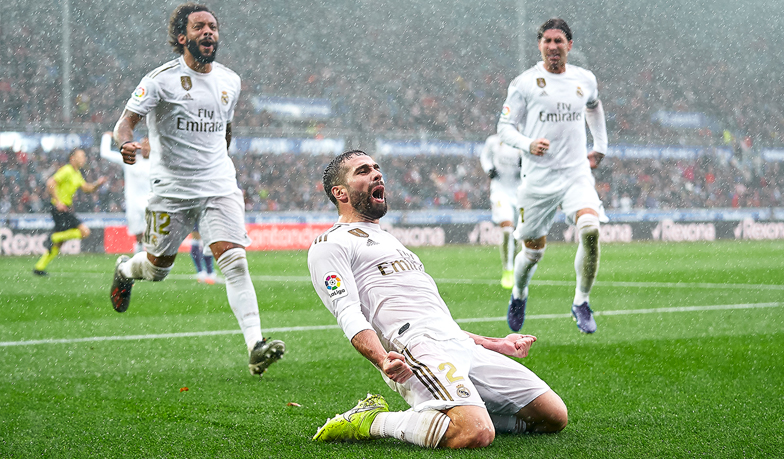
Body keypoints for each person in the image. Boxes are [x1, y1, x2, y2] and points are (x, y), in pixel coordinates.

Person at [307, 151, 567, 449]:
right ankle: (373, 421)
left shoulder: (391, 241)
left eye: (376, 168)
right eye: (363, 171)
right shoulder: (330, 244)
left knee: (552, 416)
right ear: (340, 192)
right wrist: (381, 359)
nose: (377, 173)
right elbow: (348, 313)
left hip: (458, 343)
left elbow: (434, 319)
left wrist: (495, 344)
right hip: (414, 348)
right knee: (475, 433)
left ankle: (458, 413)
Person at [109, 3, 284, 376]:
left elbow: (225, 129)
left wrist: (217, 163)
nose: (209, 32)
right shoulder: (160, 80)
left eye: (213, 26)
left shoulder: (230, 81)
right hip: (171, 191)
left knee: (234, 261)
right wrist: (125, 143)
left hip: (218, 186)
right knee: (157, 269)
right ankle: (125, 269)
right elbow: (124, 124)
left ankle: (255, 346)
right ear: (181, 37)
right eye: (200, 26)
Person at [497, 18, 608, 334]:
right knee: (533, 252)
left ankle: (581, 301)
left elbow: (594, 107)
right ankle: (519, 294)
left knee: (590, 230)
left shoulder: (584, 79)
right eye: (547, 41)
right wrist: (528, 144)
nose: (553, 46)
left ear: (569, 45)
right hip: (538, 178)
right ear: (540, 45)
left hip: (576, 173)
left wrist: (600, 146)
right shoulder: (524, 83)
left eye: (559, 40)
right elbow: (504, 128)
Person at [33, 148, 107, 276]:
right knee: (84, 232)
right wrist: (58, 202)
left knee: (59, 243)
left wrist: (97, 184)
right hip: (60, 208)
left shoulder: (76, 173)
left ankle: (39, 267)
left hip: (64, 208)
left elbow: (87, 188)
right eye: (82, 156)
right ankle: (53, 237)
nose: (84, 159)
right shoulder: (67, 170)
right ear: (73, 158)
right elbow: (50, 183)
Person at [479, 134, 522, 289]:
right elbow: (484, 156)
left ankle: (513, 264)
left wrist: (525, 164)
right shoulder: (493, 141)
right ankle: (507, 269)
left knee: (517, 234)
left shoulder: (522, 142)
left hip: (519, 191)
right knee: (507, 228)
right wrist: (489, 169)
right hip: (500, 190)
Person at [100, 132, 151, 254]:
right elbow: (105, 153)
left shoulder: (157, 163)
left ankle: (155, 259)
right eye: (143, 144)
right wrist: (106, 137)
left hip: (151, 203)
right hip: (133, 203)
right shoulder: (130, 160)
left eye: (148, 145)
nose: (145, 147)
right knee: (138, 235)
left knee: (153, 234)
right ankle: (138, 257)